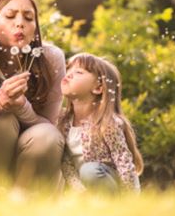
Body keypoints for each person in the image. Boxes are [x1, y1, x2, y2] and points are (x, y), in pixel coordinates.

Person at [0, 0, 65, 188]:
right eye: (9, 16)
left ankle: (25, 200)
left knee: (49, 136)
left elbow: (50, 124)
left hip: (32, 147)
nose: (20, 23)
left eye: (28, 18)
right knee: (3, 122)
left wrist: (22, 108)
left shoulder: (50, 59)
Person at [58, 53, 143, 193]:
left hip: (112, 186)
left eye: (78, 72)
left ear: (98, 88)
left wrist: (130, 199)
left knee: (89, 171)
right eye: (68, 70)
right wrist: (80, 192)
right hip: (86, 189)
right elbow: (66, 163)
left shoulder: (108, 124)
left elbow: (124, 163)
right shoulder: (63, 121)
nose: (69, 74)